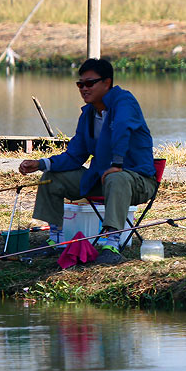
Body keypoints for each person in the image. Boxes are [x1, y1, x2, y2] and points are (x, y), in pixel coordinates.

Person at [19, 58, 157, 262]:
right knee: (52, 177)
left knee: (116, 178)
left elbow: (122, 129)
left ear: (107, 83)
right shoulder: (88, 115)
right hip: (101, 181)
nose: (84, 88)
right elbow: (75, 155)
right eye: (80, 84)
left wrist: (117, 164)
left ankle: (112, 244)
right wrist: (41, 163)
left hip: (138, 181)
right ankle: (56, 239)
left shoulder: (124, 101)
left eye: (90, 83)